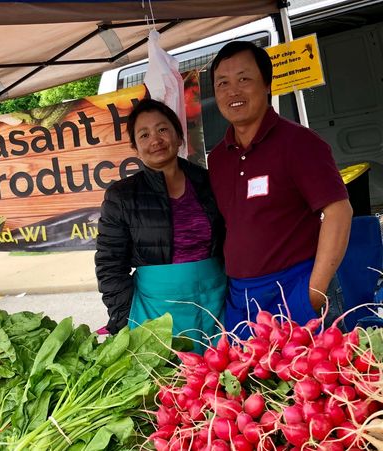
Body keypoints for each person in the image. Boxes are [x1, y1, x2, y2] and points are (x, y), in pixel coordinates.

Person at [207, 40, 353, 338]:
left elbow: (339, 211)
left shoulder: (300, 143)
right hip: (242, 301)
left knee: (315, 382)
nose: (232, 91)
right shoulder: (219, 158)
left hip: (296, 289)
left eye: (244, 79)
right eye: (223, 83)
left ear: (267, 85)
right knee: (247, 385)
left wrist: (313, 291)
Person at [95, 98, 226, 352]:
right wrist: (126, 318)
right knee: (167, 384)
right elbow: (109, 266)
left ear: (179, 136)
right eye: (144, 135)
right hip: (153, 313)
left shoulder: (210, 182)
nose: (155, 140)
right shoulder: (122, 196)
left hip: (216, 302)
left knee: (222, 379)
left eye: (162, 129)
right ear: (135, 147)